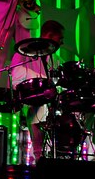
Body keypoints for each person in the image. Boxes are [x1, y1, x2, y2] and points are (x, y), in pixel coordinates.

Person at [10, 19, 65, 162]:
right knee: (40, 151)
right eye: (60, 39)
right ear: (50, 36)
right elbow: (16, 81)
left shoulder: (57, 60)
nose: (62, 43)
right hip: (34, 109)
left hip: (54, 113)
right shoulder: (24, 53)